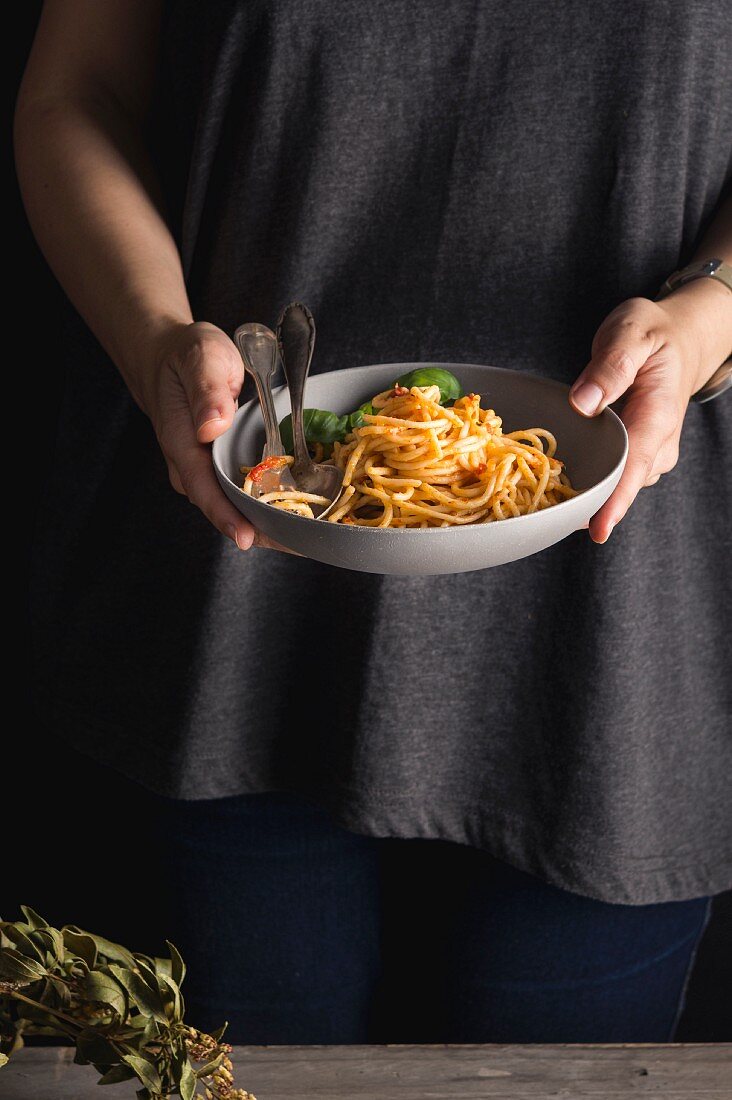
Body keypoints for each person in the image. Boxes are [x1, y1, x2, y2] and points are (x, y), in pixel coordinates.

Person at [16, 0, 731, 1044]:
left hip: (619, 644)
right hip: (226, 602)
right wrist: (154, 336)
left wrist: (711, 309)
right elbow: (77, 93)